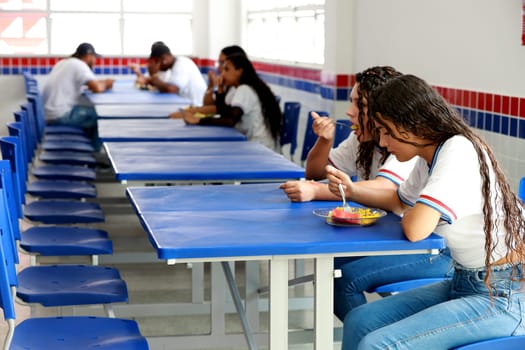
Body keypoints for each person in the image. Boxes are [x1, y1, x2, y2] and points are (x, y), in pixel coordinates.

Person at [326, 74, 525, 349]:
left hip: (504, 295)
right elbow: (399, 201)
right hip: (465, 280)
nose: (383, 142)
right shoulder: (429, 154)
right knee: (360, 320)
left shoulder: (458, 149)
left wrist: (413, 212)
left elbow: (415, 228)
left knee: (377, 344)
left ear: (410, 125)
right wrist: (352, 190)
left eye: (386, 130)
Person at [280, 66, 452, 322]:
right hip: (404, 237)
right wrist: (325, 142)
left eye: (358, 104)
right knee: (333, 265)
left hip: (435, 249)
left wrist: (322, 190)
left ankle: (371, 334)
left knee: (339, 277)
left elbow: (389, 194)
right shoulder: (368, 140)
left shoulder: (414, 147)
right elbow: (317, 172)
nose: (349, 112)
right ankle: (369, 334)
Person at [183, 53, 282, 152]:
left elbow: (230, 120)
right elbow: (224, 112)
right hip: (257, 145)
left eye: (227, 69)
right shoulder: (239, 89)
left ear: (239, 71)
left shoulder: (245, 90)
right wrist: (220, 90)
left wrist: (199, 120)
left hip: (261, 148)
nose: (222, 74)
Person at [41, 42, 113, 147]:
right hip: (60, 115)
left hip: (50, 114)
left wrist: (103, 82)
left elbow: (91, 84)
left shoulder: (64, 62)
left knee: (90, 113)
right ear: (89, 56)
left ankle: (88, 149)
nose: (95, 61)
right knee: (101, 117)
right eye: (94, 58)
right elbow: (96, 88)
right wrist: (107, 83)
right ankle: (96, 155)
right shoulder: (79, 65)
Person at [169, 45, 247, 119]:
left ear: (238, 69)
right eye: (219, 63)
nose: (220, 68)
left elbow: (216, 109)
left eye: (223, 64)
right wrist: (211, 86)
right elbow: (208, 104)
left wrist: (188, 113)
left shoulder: (242, 89)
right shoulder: (227, 84)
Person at [130, 42, 206, 106]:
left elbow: (171, 90)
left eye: (157, 62)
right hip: (188, 103)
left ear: (164, 59)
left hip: (197, 105)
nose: (157, 66)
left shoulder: (182, 64)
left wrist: (154, 76)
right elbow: (164, 86)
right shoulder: (174, 66)